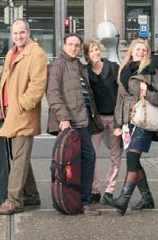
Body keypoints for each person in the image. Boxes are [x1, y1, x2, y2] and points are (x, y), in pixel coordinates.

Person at [104, 38, 158, 216]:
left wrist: (146, 92)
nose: (140, 53)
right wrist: (117, 124)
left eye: (144, 50)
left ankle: (123, 199)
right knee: (134, 160)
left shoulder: (151, 72)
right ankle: (147, 198)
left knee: (132, 160)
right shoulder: (123, 71)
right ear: (131, 51)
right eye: (138, 49)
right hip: (127, 122)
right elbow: (119, 99)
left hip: (142, 120)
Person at [0, 19, 47, 215]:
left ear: (28, 32)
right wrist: (0, 105)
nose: (19, 36)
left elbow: (38, 85)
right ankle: (31, 196)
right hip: (9, 113)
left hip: (23, 114)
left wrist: (22, 104)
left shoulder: (36, 53)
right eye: (15, 34)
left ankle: (13, 201)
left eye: (22, 33)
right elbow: (4, 81)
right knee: (18, 156)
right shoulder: (11, 52)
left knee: (19, 159)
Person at [46, 33, 105, 216]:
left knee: (85, 159)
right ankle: (78, 200)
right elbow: (53, 93)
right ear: (63, 45)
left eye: (77, 45)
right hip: (70, 122)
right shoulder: (57, 65)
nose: (73, 48)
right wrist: (63, 118)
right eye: (70, 44)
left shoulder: (78, 65)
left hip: (83, 119)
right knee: (78, 160)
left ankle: (81, 200)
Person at [84, 40, 123, 203]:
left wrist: (120, 122)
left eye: (97, 49)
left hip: (114, 118)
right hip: (96, 119)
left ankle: (109, 190)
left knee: (116, 156)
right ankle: (94, 190)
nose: (95, 53)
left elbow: (122, 93)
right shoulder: (85, 71)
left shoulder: (113, 67)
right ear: (86, 55)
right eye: (91, 51)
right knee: (91, 154)